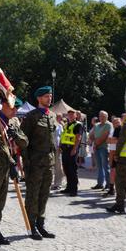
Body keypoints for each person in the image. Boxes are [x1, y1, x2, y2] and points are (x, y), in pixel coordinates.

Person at [0, 97, 28, 246]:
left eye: (17, 109)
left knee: (0, 201)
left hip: (6, 169)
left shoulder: (13, 122)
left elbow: (25, 142)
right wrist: (13, 164)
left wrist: (17, 135)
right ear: (4, 106)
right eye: (13, 108)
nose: (15, 111)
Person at [21, 86, 57, 240]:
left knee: (44, 194)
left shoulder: (52, 116)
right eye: (46, 96)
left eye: (50, 96)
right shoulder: (31, 116)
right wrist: (25, 162)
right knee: (33, 195)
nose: (49, 99)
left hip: (49, 162)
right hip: (35, 163)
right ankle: (31, 225)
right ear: (39, 99)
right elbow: (23, 141)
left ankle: (41, 224)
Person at [60, 109, 82, 196]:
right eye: (69, 115)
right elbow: (64, 136)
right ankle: (68, 187)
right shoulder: (67, 124)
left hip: (72, 149)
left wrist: (74, 149)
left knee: (72, 169)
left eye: (72, 115)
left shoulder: (78, 125)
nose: (70, 116)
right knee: (66, 168)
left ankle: (74, 189)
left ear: (76, 116)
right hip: (65, 149)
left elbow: (78, 137)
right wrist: (60, 145)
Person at [89, 111, 112, 190]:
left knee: (105, 166)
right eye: (100, 116)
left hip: (104, 148)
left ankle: (108, 184)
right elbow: (91, 135)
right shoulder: (97, 125)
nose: (102, 117)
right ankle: (100, 183)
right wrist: (94, 143)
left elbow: (104, 137)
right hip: (97, 147)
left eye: (103, 116)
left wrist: (95, 144)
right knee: (99, 166)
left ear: (107, 117)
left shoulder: (108, 125)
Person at [52, 113, 65, 190]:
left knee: (58, 165)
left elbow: (62, 137)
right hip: (50, 148)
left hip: (57, 148)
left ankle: (58, 183)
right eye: (57, 117)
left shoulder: (60, 126)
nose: (58, 118)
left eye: (60, 117)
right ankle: (50, 182)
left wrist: (61, 146)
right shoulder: (50, 125)